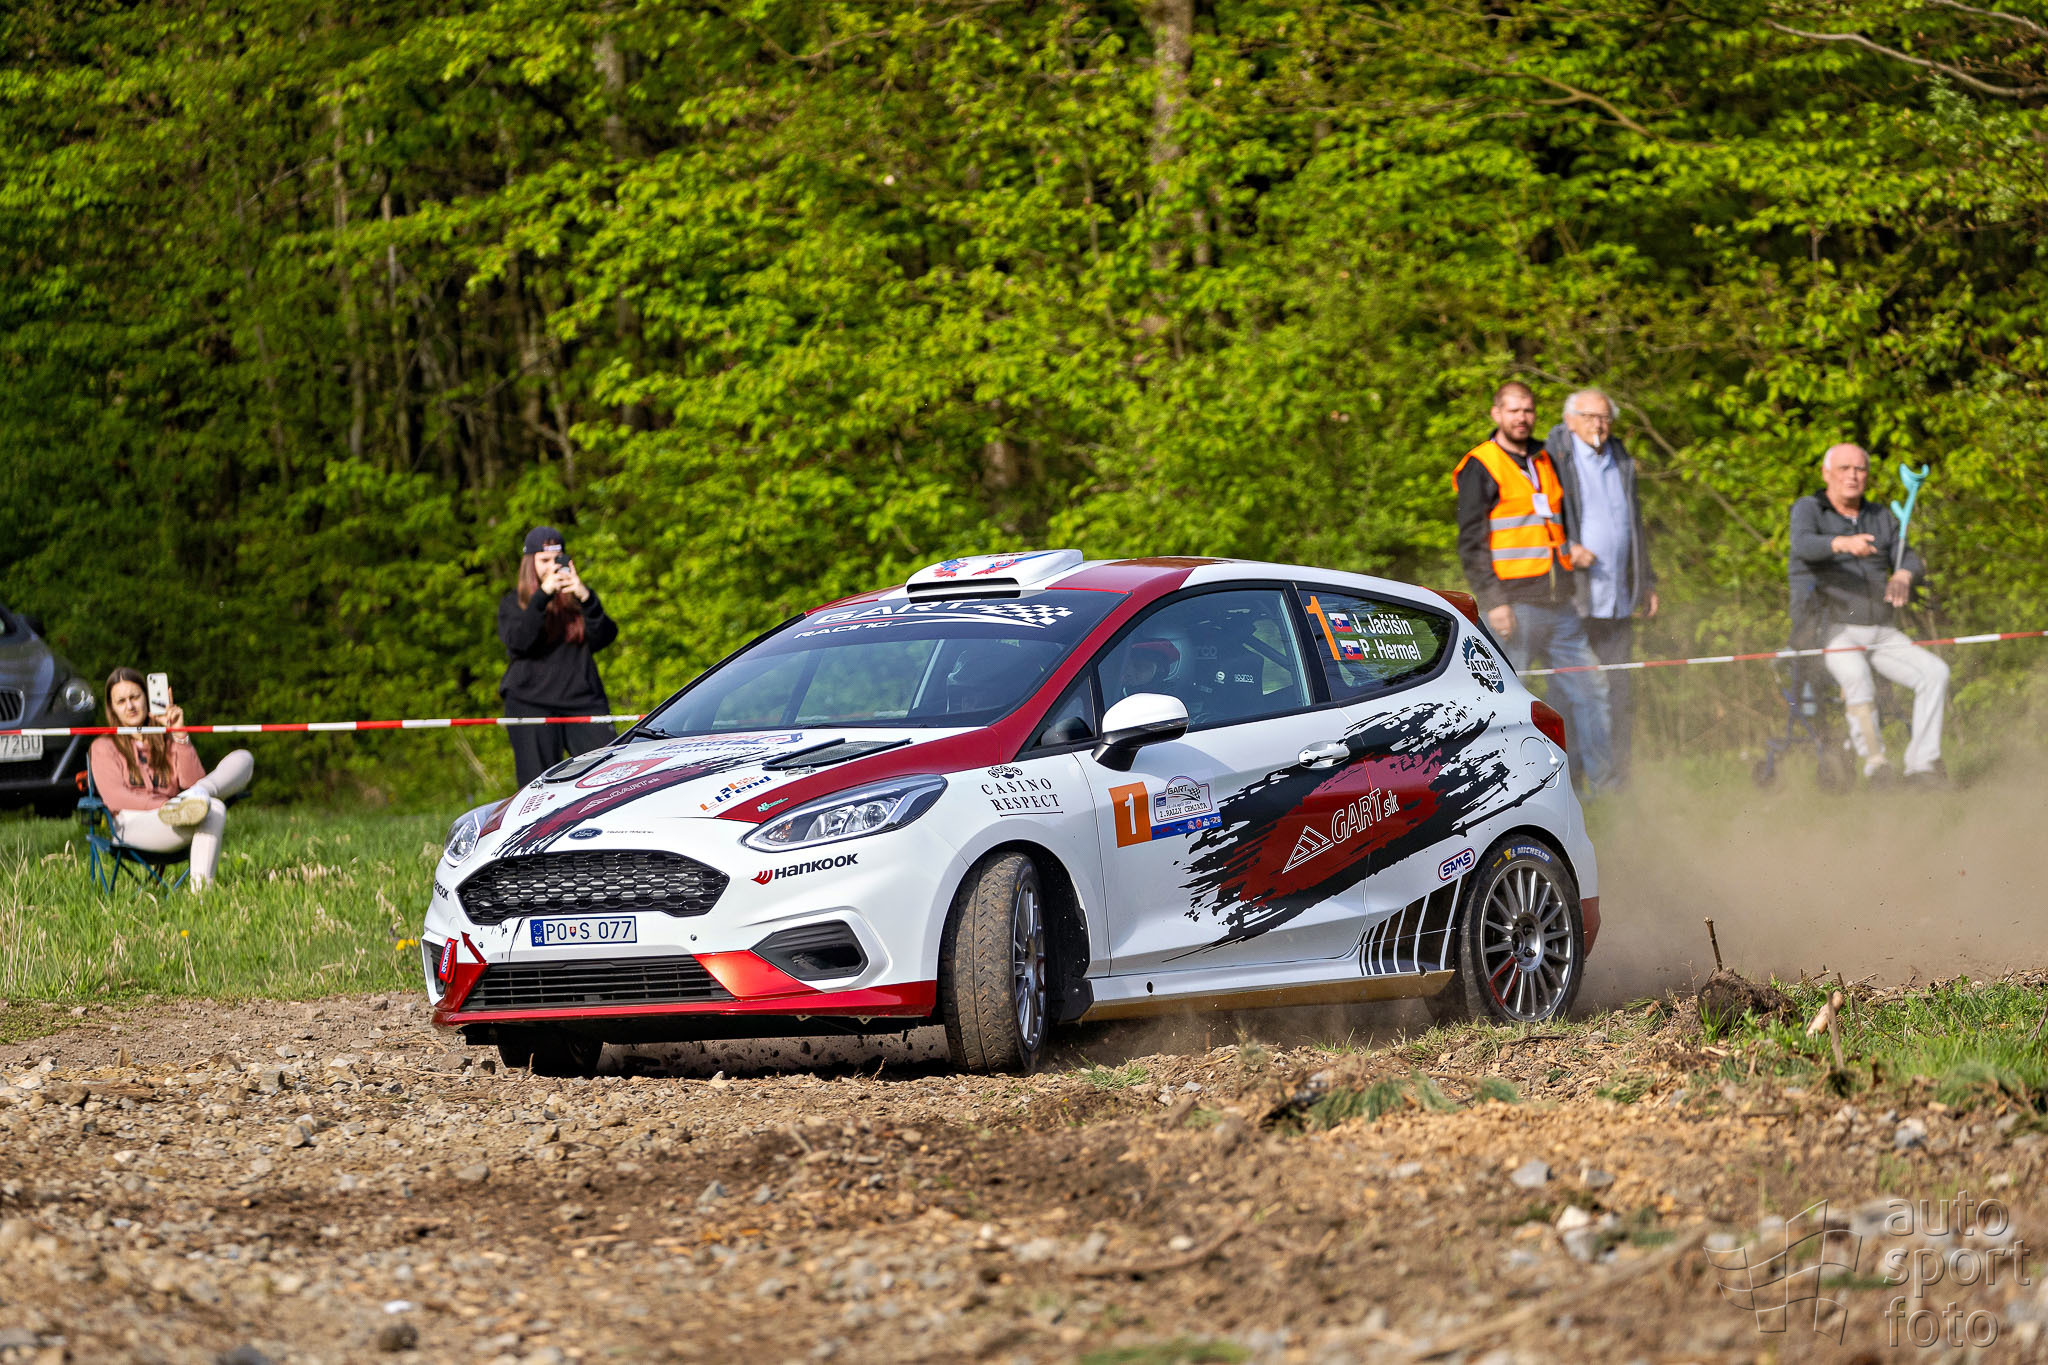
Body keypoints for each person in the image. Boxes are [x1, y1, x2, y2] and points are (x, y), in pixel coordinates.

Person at [1455, 381, 1613, 792]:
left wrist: (1572, 552)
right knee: (1507, 704)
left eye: (1527, 410)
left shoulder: (1544, 459)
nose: (1522, 417)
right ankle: (1507, 790)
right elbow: (1471, 544)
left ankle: (1603, 789)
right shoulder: (1480, 464)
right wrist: (1494, 602)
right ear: (1496, 414)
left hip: (1561, 604)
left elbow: (1553, 526)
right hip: (1514, 606)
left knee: (1591, 690)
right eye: (1513, 410)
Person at [1788, 444, 1948, 784]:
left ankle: (1922, 766)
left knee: (1935, 673)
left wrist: (1903, 574)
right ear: (1826, 474)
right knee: (1857, 677)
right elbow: (1803, 544)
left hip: (1881, 630)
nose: (1853, 475)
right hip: (1831, 631)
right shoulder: (1808, 509)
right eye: (1844, 468)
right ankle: (1877, 766)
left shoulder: (1880, 515)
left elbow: (1909, 556)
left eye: (1860, 469)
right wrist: (1841, 543)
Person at [1546, 388, 1658, 786]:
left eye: (1606, 417)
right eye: (1591, 417)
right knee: (1570, 693)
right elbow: (1541, 516)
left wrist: (1646, 581)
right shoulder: (1553, 457)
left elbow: (1634, 524)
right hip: (1575, 597)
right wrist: (1566, 548)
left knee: (1620, 690)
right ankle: (1569, 777)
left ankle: (1617, 779)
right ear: (1570, 420)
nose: (1600, 425)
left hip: (1619, 597)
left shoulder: (1620, 457)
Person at [88, 669, 254, 891]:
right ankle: (202, 897)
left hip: (177, 815)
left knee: (243, 759)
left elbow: (194, 780)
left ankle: (201, 899)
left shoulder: (167, 740)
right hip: (132, 825)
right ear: (112, 708)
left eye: (135, 697)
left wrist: (179, 734)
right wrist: (167, 805)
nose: (130, 706)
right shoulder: (103, 746)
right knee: (212, 807)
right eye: (121, 701)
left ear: (147, 698)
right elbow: (116, 798)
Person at [499, 526, 621, 788]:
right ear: (530, 563)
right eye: (544, 560)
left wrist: (586, 597)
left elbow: (606, 636)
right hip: (530, 703)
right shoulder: (514, 603)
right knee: (538, 788)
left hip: (582, 701)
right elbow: (519, 642)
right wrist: (542, 596)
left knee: (610, 778)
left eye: (558, 559)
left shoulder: (578, 600)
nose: (552, 566)